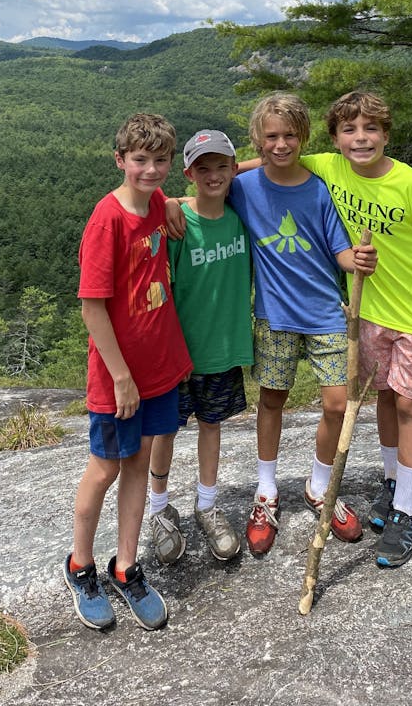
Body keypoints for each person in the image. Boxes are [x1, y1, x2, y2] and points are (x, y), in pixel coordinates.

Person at [197, 93, 376, 556]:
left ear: (304, 136)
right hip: (274, 315)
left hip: (325, 313)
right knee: (272, 400)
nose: (281, 144)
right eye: (271, 136)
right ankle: (266, 491)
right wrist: (174, 208)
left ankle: (318, 487)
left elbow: (337, 250)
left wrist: (355, 261)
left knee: (337, 403)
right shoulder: (244, 187)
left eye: (290, 135)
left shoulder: (319, 189)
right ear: (258, 139)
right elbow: (208, 187)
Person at [297, 91, 412, 568]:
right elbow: (273, 158)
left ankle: (406, 510)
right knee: (386, 397)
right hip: (369, 314)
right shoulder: (331, 166)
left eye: (371, 128)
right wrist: (201, 189)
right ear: (335, 139)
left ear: (386, 135)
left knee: (411, 404)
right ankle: (392, 481)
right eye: (349, 129)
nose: (360, 138)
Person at [63, 113, 192, 631]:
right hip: (120, 378)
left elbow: (199, 188)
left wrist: (174, 201)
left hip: (159, 368)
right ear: (120, 160)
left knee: (138, 464)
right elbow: (92, 306)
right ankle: (80, 566)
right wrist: (120, 377)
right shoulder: (107, 220)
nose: (151, 169)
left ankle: (126, 566)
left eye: (161, 160)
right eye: (140, 160)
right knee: (105, 469)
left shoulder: (158, 203)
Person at [148, 130, 253, 563]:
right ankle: (158, 509)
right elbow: (161, 293)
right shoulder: (177, 226)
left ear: (234, 169)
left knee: (212, 425)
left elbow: (270, 165)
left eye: (222, 166)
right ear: (188, 173)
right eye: (202, 168)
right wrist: (169, 201)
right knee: (165, 430)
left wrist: (175, 197)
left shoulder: (240, 215)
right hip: (179, 354)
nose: (213, 175)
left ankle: (207, 504)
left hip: (221, 349)